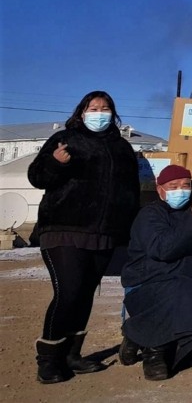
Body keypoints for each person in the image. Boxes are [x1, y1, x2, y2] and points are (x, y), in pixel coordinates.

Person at [27, 91, 140, 384]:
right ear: (81, 112)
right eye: (93, 108)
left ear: (113, 114)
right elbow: (37, 177)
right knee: (69, 292)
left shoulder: (122, 148)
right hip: (63, 229)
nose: (99, 112)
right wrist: (55, 162)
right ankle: (49, 360)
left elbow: (130, 193)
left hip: (104, 233)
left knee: (85, 294)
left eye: (105, 108)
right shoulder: (65, 140)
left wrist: (128, 231)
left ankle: (71, 355)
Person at [119, 165, 192, 381]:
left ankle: (136, 333)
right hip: (147, 289)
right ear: (160, 190)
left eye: (185, 186)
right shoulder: (150, 215)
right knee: (179, 286)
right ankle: (155, 352)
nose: (181, 190)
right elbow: (164, 249)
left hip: (183, 293)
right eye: (173, 186)